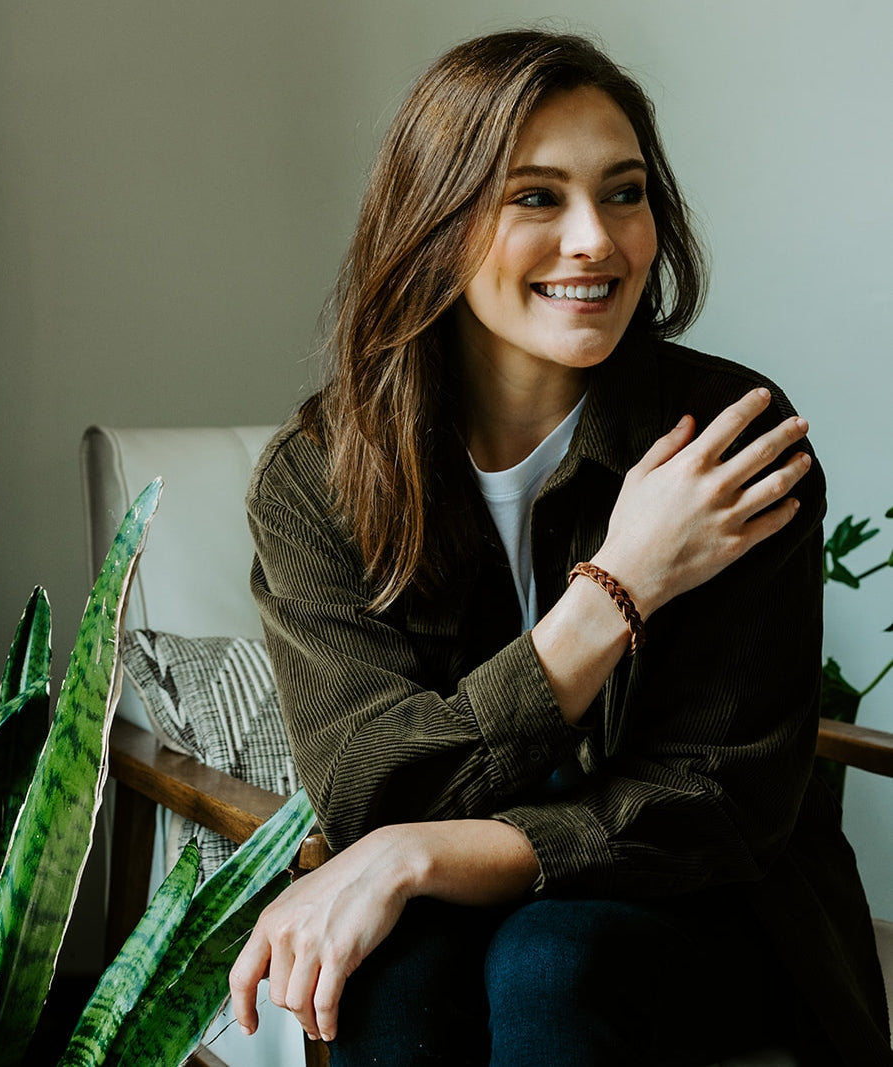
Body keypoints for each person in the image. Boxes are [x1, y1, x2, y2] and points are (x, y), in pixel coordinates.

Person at [228, 28, 891, 1066]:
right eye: (534, 196)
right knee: (395, 973)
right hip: (455, 918)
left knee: (547, 955)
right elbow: (370, 784)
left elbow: (712, 806)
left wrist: (415, 851)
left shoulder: (728, 441)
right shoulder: (320, 474)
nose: (595, 239)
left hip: (709, 916)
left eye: (622, 194)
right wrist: (613, 590)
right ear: (434, 221)